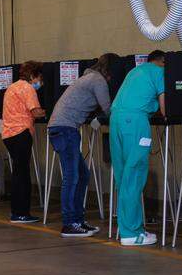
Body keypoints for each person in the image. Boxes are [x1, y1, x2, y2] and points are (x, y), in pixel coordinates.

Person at [48, 53, 117, 237]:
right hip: (65, 129)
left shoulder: (87, 77)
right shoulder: (98, 80)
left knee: (82, 175)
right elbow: (108, 109)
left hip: (62, 128)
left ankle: (77, 220)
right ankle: (69, 223)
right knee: (72, 177)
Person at [109, 51, 167, 246]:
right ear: (162, 62)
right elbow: (166, 108)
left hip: (115, 120)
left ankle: (126, 227)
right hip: (135, 122)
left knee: (123, 176)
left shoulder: (134, 71)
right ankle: (131, 233)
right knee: (134, 176)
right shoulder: (159, 72)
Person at [1, 61, 45, 223]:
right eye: (39, 77)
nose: (40, 82)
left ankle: (16, 211)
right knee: (23, 174)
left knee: (18, 173)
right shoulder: (28, 88)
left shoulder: (12, 87)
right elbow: (36, 112)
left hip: (8, 135)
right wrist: (48, 111)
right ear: (33, 75)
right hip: (21, 133)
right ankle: (21, 213)